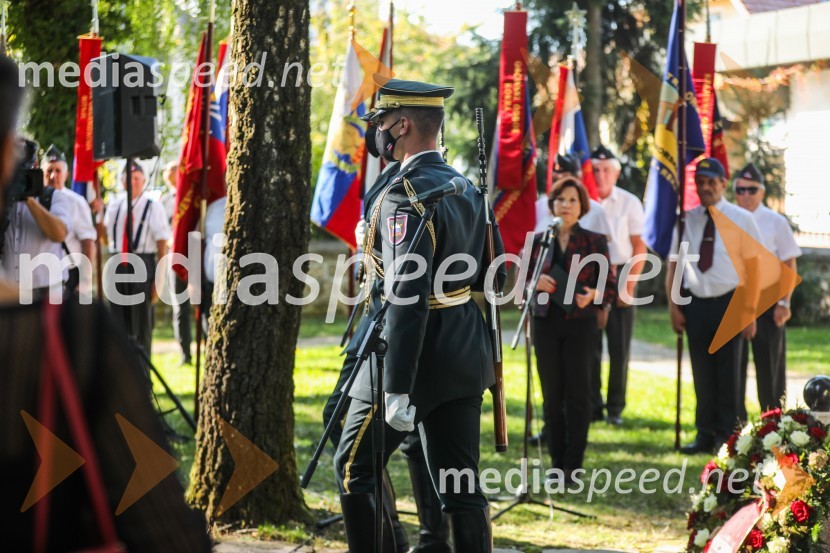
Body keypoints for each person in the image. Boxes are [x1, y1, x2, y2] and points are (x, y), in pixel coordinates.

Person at [0, 53, 210, 553]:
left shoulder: (75, 205)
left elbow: (82, 241)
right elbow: (162, 527)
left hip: (59, 294)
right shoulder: (75, 340)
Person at [332, 78, 504, 553]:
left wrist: (396, 387)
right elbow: (496, 276)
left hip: (406, 356)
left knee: (354, 469)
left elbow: (407, 294)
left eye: (383, 122)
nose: (379, 131)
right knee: (461, 486)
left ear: (402, 125)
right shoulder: (467, 188)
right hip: (463, 354)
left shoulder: (403, 194)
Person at [666, 158, 764, 454]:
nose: (706, 187)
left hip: (730, 304)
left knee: (729, 374)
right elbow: (674, 264)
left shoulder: (742, 219)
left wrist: (750, 311)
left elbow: (754, 269)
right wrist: (673, 305)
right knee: (702, 373)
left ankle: (729, 436)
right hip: (696, 305)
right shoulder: (686, 219)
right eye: (701, 182)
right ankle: (704, 433)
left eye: (712, 182)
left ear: (723, 183)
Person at [531, 176, 616, 483]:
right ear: (552, 204)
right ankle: (556, 465)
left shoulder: (595, 241)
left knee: (578, 396)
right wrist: (534, 283)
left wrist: (593, 295)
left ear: (582, 206)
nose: (565, 205)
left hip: (581, 325)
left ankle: (573, 467)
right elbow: (522, 284)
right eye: (560, 200)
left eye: (572, 200)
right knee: (552, 396)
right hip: (545, 324)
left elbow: (610, 285)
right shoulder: (539, 240)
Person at [733, 162, 801, 418]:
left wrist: (784, 303)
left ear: (761, 192)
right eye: (740, 190)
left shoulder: (775, 221)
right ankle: (734, 425)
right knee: (733, 368)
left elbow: (789, 264)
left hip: (769, 302)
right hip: (735, 300)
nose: (746, 195)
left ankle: (773, 423)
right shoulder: (728, 218)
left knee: (770, 369)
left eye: (751, 189)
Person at [591, 145, 646, 426]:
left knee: (619, 346)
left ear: (615, 173)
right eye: (595, 170)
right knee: (588, 343)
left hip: (622, 271)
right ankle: (591, 404)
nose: (600, 175)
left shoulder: (629, 202)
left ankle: (615, 408)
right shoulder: (582, 201)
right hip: (589, 273)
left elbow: (640, 246)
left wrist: (629, 285)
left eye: (606, 170)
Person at [104, 162, 171, 354]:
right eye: (128, 178)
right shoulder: (115, 205)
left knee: (140, 325)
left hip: (142, 264)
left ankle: (141, 369)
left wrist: (159, 281)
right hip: (117, 264)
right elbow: (106, 238)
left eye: (136, 178)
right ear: (122, 181)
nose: (132, 182)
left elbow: (162, 244)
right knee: (117, 323)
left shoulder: (153, 206)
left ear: (143, 180)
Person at [1, 138, 70, 300]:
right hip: (10, 291)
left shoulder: (54, 197)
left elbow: (59, 234)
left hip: (47, 291)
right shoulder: (3, 198)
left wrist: (28, 197)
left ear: (35, 166)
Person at [41, 144, 97, 298]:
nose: (53, 176)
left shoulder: (76, 202)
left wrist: (84, 281)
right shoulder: (35, 202)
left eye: (58, 171)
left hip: (70, 275)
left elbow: (88, 243)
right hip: (41, 275)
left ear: (66, 174)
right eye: (49, 171)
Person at [163, 160, 193, 365]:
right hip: (175, 255)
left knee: (204, 304)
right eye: (167, 170)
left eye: (174, 169)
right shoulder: (164, 201)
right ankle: (185, 353)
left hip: (194, 253)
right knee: (180, 306)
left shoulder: (192, 196)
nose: (170, 173)